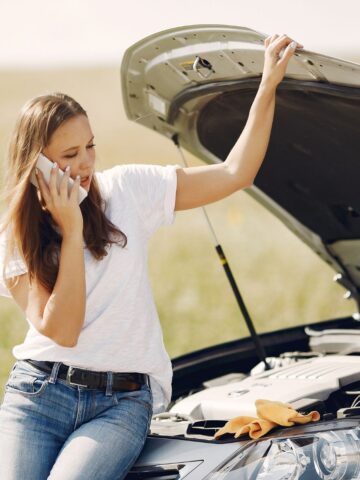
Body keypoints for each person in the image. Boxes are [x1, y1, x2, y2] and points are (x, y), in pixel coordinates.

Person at [0, 33, 302, 480]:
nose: (85, 164)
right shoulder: (15, 234)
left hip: (121, 403)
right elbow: (61, 330)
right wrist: (71, 232)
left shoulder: (127, 190)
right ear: (37, 163)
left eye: (90, 147)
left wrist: (267, 87)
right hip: (38, 394)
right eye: (68, 155)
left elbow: (235, 173)